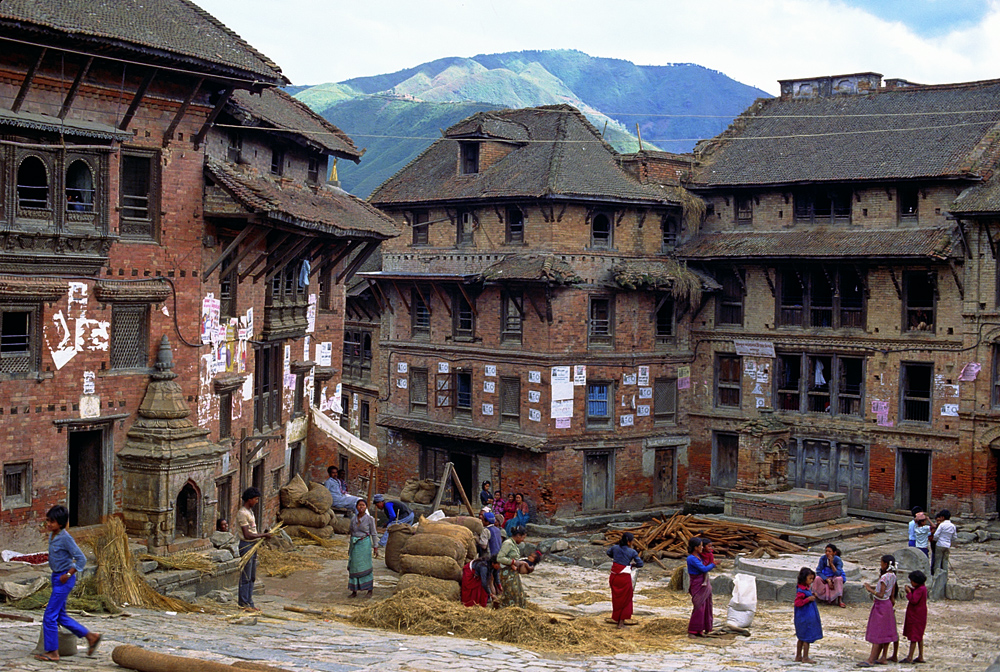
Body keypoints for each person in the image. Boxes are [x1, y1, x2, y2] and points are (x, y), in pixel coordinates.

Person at [34, 505, 102, 662]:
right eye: (48, 521)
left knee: (49, 616)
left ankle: (52, 652)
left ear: (60, 523)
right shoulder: (53, 535)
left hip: (64, 579)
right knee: (60, 615)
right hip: (56, 577)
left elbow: (81, 558)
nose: (49, 524)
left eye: (52, 522)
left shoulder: (66, 538)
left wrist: (69, 573)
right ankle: (91, 636)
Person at [859, 554, 899, 667]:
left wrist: (870, 589)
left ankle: (871, 659)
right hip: (888, 605)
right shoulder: (893, 576)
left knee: (877, 632)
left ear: (885, 564)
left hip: (881, 605)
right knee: (884, 631)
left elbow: (881, 594)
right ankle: (879, 656)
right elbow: (892, 594)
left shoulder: (884, 577)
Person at [236, 487, 271, 611]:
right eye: (255, 499)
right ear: (249, 499)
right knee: (246, 576)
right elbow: (247, 535)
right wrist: (263, 535)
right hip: (246, 545)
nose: (256, 501)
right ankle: (244, 603)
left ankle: (249, 602)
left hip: (253, 545)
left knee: (251, 577)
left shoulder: (250, 512)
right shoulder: (242, 513)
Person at [607, 532, 643, 628]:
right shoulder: (632, 552)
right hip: (624, 577)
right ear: (628, 542)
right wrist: (632, 565)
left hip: (614, 576)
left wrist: (616, 558)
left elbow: (608, 552)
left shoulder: (615, 548)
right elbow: (640, 564)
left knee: (616, 598)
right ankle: (621, 623)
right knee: (626, 599)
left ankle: (617, 618)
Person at [348, 498, 378, 598]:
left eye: (363, 505)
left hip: (364, 544)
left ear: (366, 507)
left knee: (365, 566)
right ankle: (354, 590)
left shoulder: (370, 519)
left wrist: (375, 547)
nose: (361, 507)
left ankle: (369, 589)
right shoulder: (353, 519)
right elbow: (351, 532)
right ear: (356, 507)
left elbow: (373, 533)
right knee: (354, 567)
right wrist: (350, 548)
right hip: (355, 545)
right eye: (359, 505)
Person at [687, 536, 715, 637]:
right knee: (699, 607)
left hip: (704, 582)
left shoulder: (699, 556)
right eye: (701, 546)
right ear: (695, 547)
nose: (702, 548)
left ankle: (701, 630)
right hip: (697, 583)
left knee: (707, 605)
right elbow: (703, 569)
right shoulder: (691, 558)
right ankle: (692, 631)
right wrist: (713, 564)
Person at [794, 567, 822, 664]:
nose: (812, 581)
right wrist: (807, 600)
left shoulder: (804, 588)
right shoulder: (801, 591)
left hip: (804, 616)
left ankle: (798, 656)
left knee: (801, 638)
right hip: (804, 617)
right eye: (810, 579)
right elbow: (797, 603)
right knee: (806, 638)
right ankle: (805, 657)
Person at [495, 525, 527, 608]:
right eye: (522, 537)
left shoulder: (513, 544)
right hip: (507, 574)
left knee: (517, 593)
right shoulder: (508, 544)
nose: (523, 540)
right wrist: (512, 562)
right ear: (518, 536)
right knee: (510, 594)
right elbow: (500, 558)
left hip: (512, 573)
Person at [902, 570, 928, 664]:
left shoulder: (920, 589)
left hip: (916, 616)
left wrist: (909, 592)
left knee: (914, 636)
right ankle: (920, 656)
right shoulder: (923, 588)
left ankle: (910, 657)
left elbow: (914, 600)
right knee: (919, 636)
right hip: (920, 615)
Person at [812, 543, 847, 607]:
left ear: (834, 552)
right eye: (826, 551)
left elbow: (838, 573)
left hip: (834, 577)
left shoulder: (838, 560)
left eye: (829, 551)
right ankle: (814, 597)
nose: (827, 553)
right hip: (825, 576)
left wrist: (831, 564)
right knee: (817, 578)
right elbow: (818, 571)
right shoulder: (823, 558)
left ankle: (839, 600)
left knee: (839, 579)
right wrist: (827, 580)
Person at [931, 509, 956, 575]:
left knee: (938, 561)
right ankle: (945, 576)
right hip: (947, 545)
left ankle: (936, 576)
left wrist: (936, 540)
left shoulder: (942, 525)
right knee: (945, 561)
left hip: (940, 544)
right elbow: (954, 537)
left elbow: (936, 535)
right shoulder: (953, 526)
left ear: (942, 517)